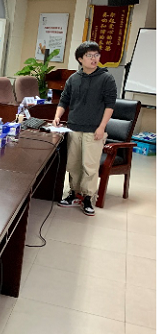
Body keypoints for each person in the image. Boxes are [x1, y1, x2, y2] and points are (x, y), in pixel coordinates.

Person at [52, 41, 117, 217]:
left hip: (94, 130)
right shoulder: (73, 79)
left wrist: (102, 127)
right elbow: (64, 100)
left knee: (89, 166)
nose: (94, 58)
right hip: (74, 127)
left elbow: (110, 105)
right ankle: (73, 194)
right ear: (80, 59)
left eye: (96, 55)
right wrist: (57, 116)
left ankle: (88, 198)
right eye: (89, 55)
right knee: (73, 164)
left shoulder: (106, 78)